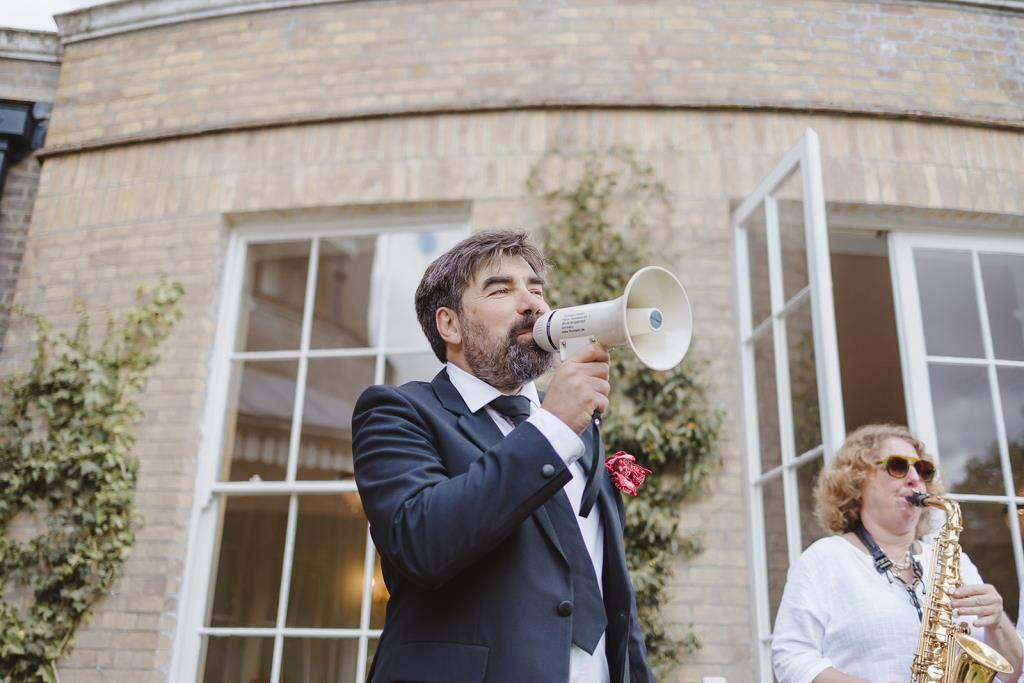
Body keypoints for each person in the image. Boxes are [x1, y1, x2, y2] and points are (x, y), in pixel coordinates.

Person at [352, 230, 654, 683]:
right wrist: (552, 428)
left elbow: (610, 589)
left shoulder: (577, 425)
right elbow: (422, 542)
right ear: (449, 325)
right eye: (500, 290)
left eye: (536, 289)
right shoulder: (398, 411)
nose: (531, 303)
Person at [772, 423, 1023, 683]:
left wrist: (997, 622)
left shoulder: (958, 562)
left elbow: (1012, 674)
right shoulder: (823, 560)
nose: (914, 478)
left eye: (923, 470)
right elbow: (791, 658)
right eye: (898, 466)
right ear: (857, 482)